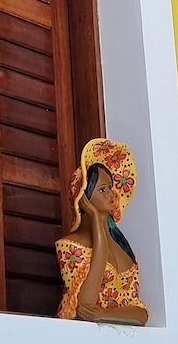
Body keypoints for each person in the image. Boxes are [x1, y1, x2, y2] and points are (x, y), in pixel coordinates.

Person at [56, 138, 148, 324]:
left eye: (111, 188)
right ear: (84, 199)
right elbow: (84, 308)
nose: (111, 194)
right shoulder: (69, 247)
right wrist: (97, 226)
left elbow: (142, 313)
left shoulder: (123, 247)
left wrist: (103, 313)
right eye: (102, 189)